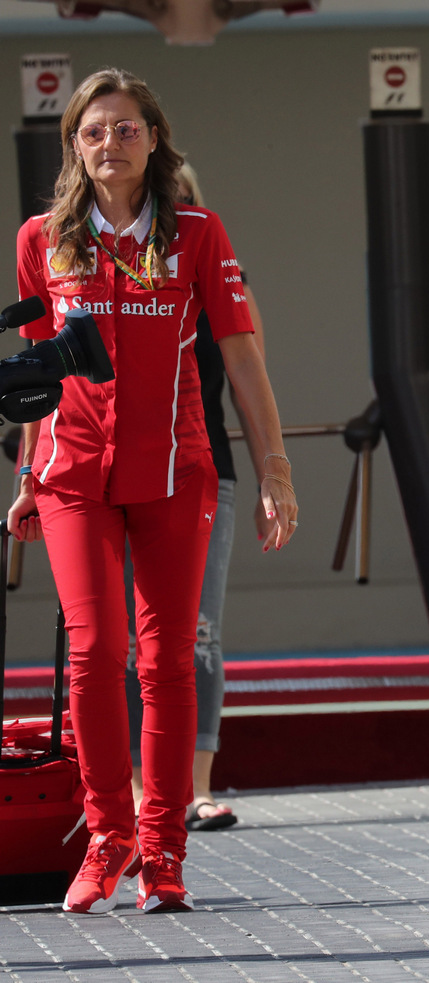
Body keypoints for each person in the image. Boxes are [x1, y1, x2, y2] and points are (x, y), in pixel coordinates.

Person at [8, 68, 298, 914]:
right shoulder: (41, 239)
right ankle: (108, 836)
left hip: (177, 470)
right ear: (74, 145)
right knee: (97, 655)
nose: (110, 142)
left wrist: (274, 467)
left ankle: (164, 850)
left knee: (168, 660)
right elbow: (37, 377)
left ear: (154, 139)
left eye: (126, 127)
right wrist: (27, 476)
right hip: (72, 476)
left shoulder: (199, 233)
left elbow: (243, 357)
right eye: (94, 130)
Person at [124, 162, 274, 832]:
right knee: (128, 639)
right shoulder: (114, 282)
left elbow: (249, 381)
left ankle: (194, 787)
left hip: (206, 471)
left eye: (175, 201)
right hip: (119, 476)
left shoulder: (218, 271)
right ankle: (135, 785)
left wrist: (276, 472)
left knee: (198, 634)